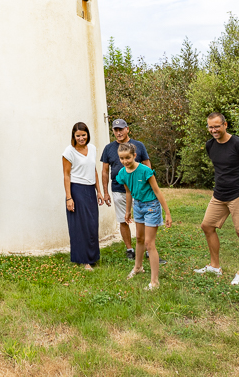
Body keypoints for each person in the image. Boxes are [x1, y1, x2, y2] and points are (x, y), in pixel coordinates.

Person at [194, 112, 239, 286]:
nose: (213, 130)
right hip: (219, 194)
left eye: (217, 126)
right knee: (207, 226)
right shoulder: (210, 145)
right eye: (210, 127)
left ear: (225, 125)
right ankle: (215, 267)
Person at [116, 141, 172, 290]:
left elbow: (157, 191)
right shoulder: (122, 174)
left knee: (149, 243)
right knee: (139, 239)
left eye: (128, 158)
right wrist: (128, 211)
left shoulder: (145, 170)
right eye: (121, 158)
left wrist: (167, 213)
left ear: (134, 156)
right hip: (138, 206)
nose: (125, 161)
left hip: (151, 207)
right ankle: (138, 267)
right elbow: (128, 192)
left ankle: (155, 282)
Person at [101, 119, 151, 260]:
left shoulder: (138, 146)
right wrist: (105, 192)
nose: (119, 132)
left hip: (139, 190)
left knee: (144, 219)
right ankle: (130, 249)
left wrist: (148, 184)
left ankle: (148, 248)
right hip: (118, 190)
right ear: (113, 131)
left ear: (127, 129)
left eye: (121, 129)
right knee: (123, 219)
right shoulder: (108, 148)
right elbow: (105, 171)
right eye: (116, 130)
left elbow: (147, 165)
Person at [62, 122, 106, 270]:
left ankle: (93, 257)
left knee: (92, 224)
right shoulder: (69, 152)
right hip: (76, 190)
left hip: (90, 190)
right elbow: (66, 175)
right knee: (80, 225)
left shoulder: (92, 148)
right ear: (73, 136)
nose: (81, 138)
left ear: (87, 134)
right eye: (78, 136)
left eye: (83, 135)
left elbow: (93, 170)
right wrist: (69, 197)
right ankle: (83, 260)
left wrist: (98, 191)